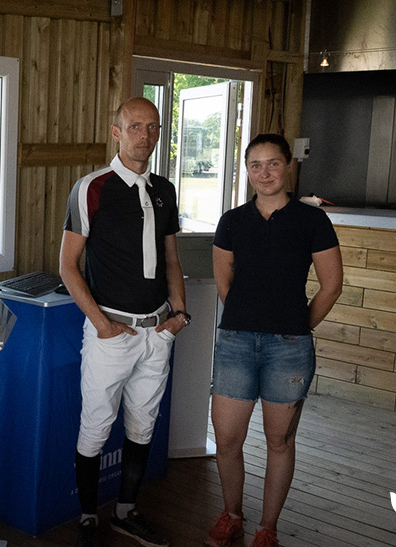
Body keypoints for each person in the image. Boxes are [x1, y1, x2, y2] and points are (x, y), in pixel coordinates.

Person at [59, 97, 188, 547]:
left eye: (153, 127)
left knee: (143, 424)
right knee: (95, 425)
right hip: (112, 332)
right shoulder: (91, 188)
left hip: (158, 331)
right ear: (116, 132)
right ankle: (87, 518)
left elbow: (172, 259)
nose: (145, 135)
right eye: (135, 126)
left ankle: (125, 512)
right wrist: (100, 323)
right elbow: (68, 266)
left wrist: (179, 315)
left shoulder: (164, 189)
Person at [204, 134, 343, 547]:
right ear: (247, 170)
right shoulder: (232, 221)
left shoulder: (312, 221)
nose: (264, 173)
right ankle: (232, 515)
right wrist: (249, 317)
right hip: (236, 343)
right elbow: (224, 282)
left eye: (273, 163)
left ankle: (267, 529)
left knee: (279, 441)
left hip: (289, 348)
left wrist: (298, 326)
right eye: (256, 165)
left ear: (288, 166)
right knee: (227, 439)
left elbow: (331, 286)